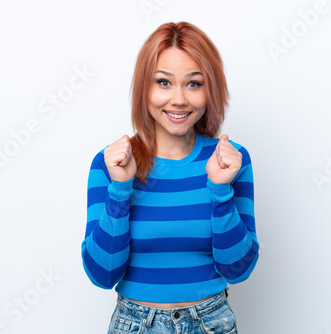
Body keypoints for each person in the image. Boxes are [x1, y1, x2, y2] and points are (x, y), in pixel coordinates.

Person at [81, 21, 259, 333]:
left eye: (194, 84)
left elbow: (238, 268)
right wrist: (121, 189)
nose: (178, 99)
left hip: (210, 323)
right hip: (134, 324)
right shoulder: (112, 163)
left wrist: (220, 191)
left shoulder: (230, 160)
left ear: (210, 90)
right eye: (163, 82)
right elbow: (102, 274)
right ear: (144, 88)